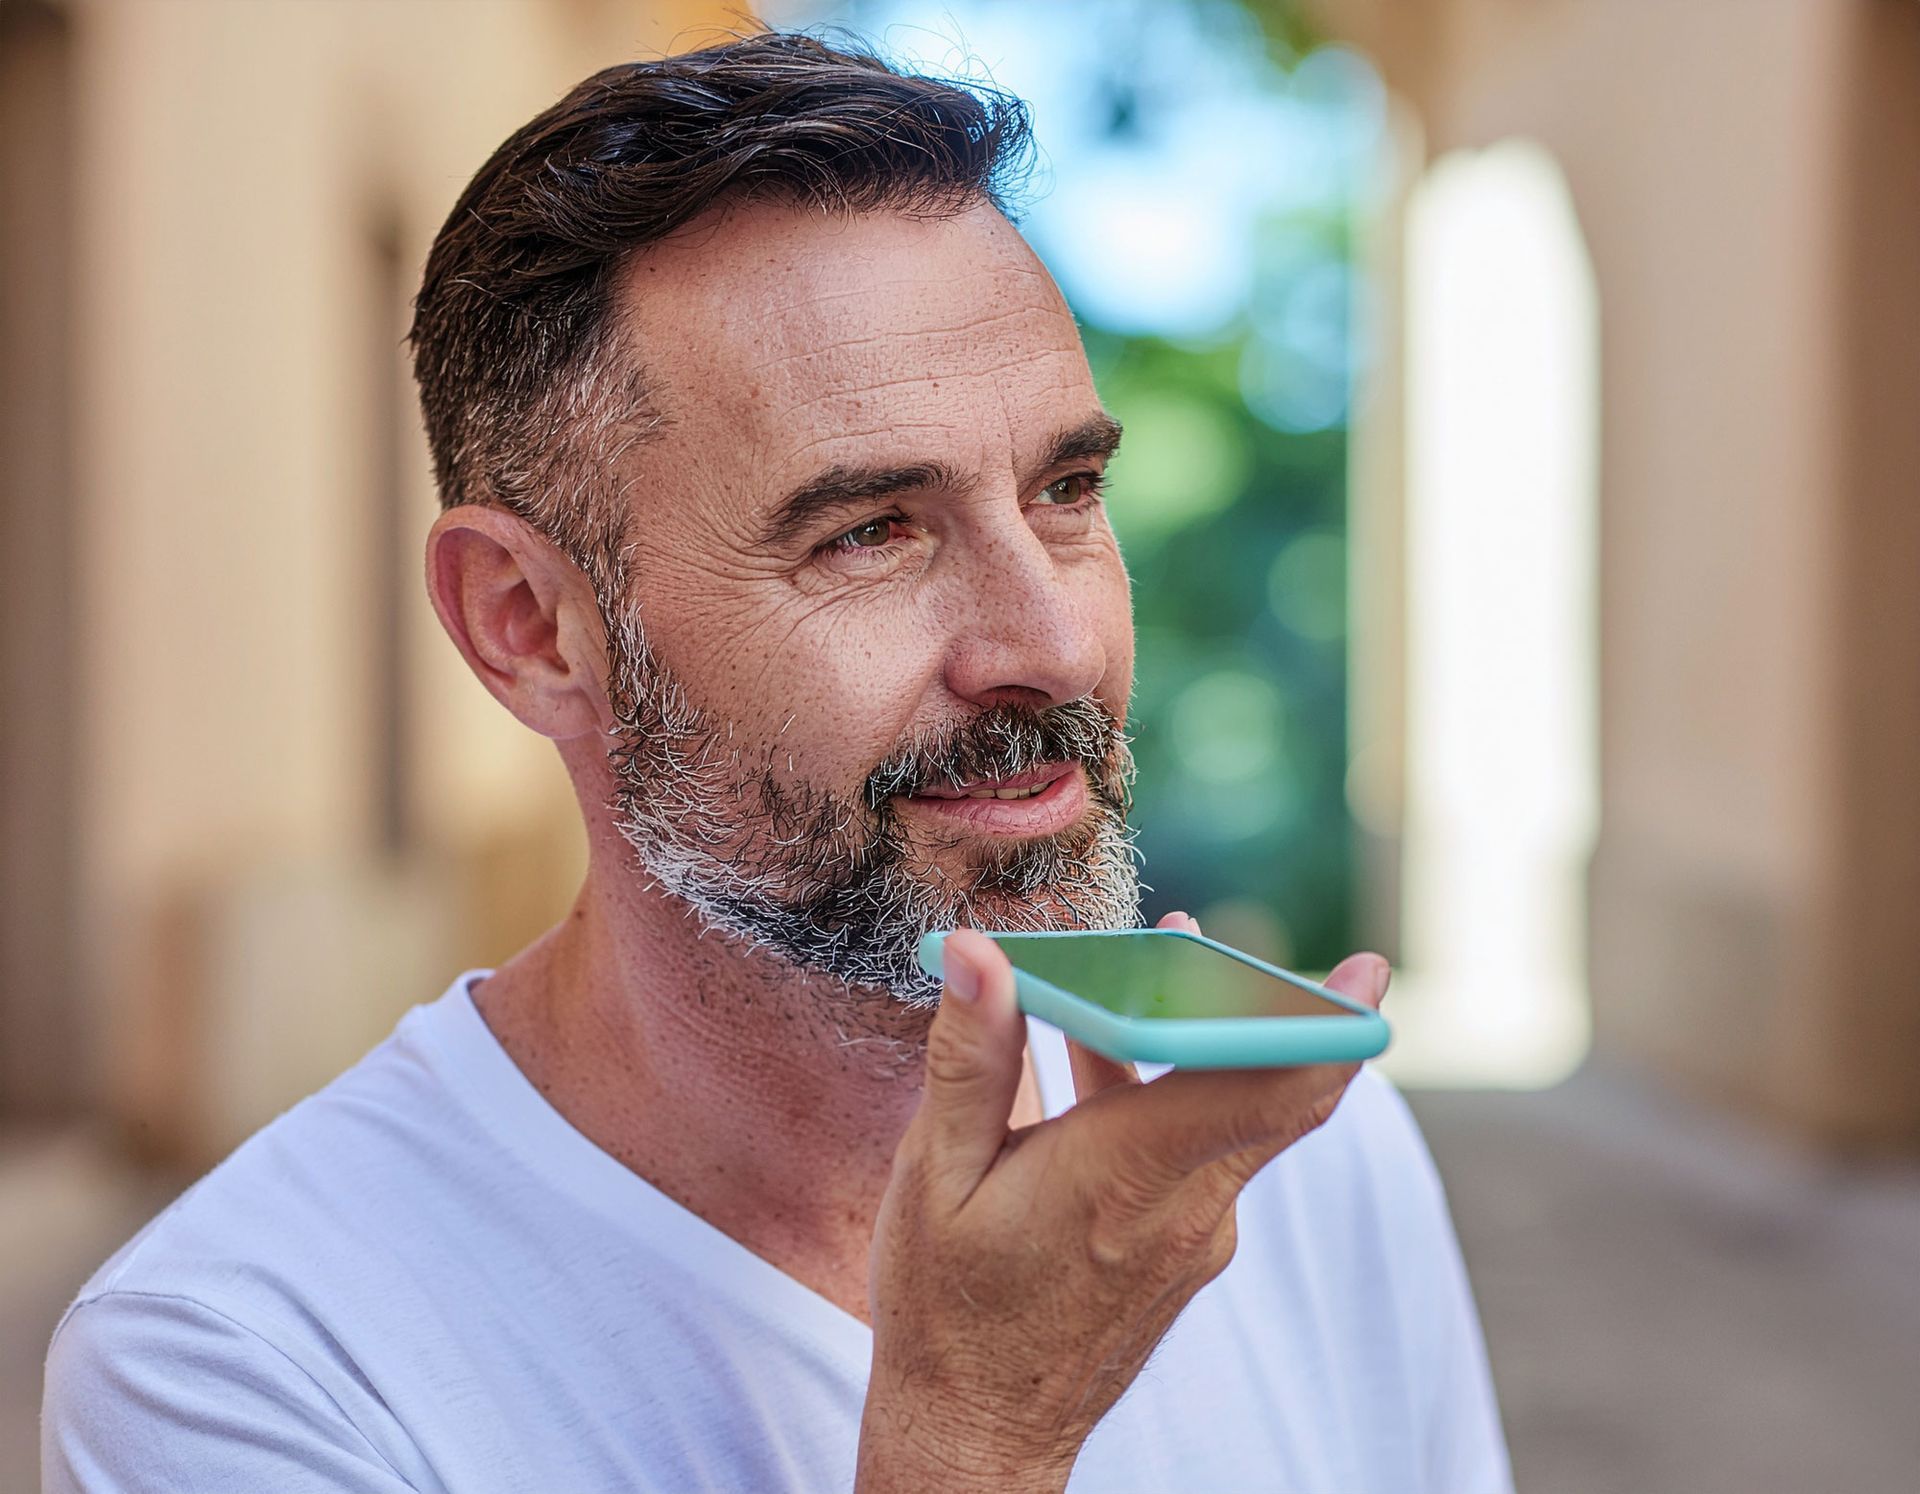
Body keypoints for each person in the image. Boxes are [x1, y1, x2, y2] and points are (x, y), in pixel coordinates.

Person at [42, 30, 1511, 1493]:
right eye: (871, 530)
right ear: (530, 627)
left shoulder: (1294, 1149)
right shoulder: (246, 1362)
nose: (1053, 642)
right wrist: (974, 1434)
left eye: (1066, 489)